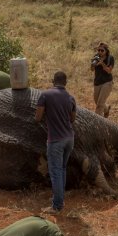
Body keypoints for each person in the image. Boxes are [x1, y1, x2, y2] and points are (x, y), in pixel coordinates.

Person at [35, 71, 76, 215]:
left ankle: (57, 206)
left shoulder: (45, 95)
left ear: (53, 81)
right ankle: (60, 199)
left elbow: (38, 117)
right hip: (69, 138)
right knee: (62, 169)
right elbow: (72, 119)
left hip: (55, 140)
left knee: (55, 172)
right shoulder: (71, 98)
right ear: (66, 82)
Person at [91, 42, 114, 118]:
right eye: (99, 50)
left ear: (106, 51)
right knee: (97, 101)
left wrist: (102, 64)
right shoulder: (96, 57)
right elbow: (92, 69)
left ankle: (97, 122)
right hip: (97, 82)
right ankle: (106, 109)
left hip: (107, 82)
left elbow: (109, 71)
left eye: (102, 50)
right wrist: (93, 64)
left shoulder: (110, 58)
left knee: (99, 105)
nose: (100, 52)